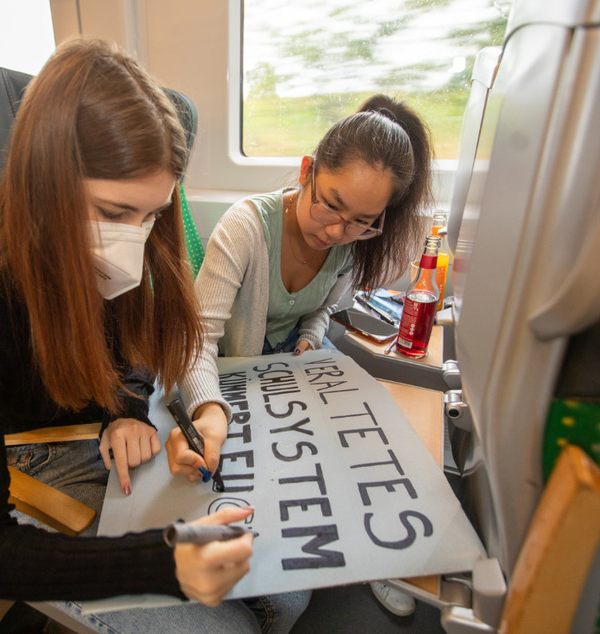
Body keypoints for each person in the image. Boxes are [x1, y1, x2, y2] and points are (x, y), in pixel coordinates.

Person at [0, 39, 309, 633]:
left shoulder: (108, 258)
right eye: (113, 212)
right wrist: (160, 563)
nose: (136, 237)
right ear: (43, 184)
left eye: (152, 214)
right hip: (31, 461)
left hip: (101, 440)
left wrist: (126, 409)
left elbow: (129, 357)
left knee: (285, 595)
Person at [170, 95, 434, 617]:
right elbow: (195, 339)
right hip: (231, 370)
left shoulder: (352, 241)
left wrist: (310, 345)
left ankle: (387, 555)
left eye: (361, 221)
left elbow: (320, 311)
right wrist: (206, 409)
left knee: (363, 435)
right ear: (307, 171)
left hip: (295, 360)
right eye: (329, 204)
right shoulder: (247, 226)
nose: (337, 231)